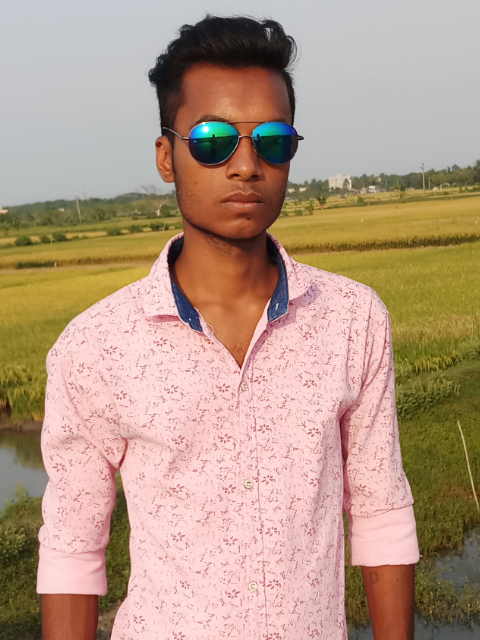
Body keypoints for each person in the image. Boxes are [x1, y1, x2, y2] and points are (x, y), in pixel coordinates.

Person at [38, 15, 419, 640]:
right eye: (213, 140)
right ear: (167, 156)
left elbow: (381, 513)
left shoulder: (353, 320)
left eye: (272, 140)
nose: (246, 165)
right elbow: (73, 550)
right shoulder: (95, 347)